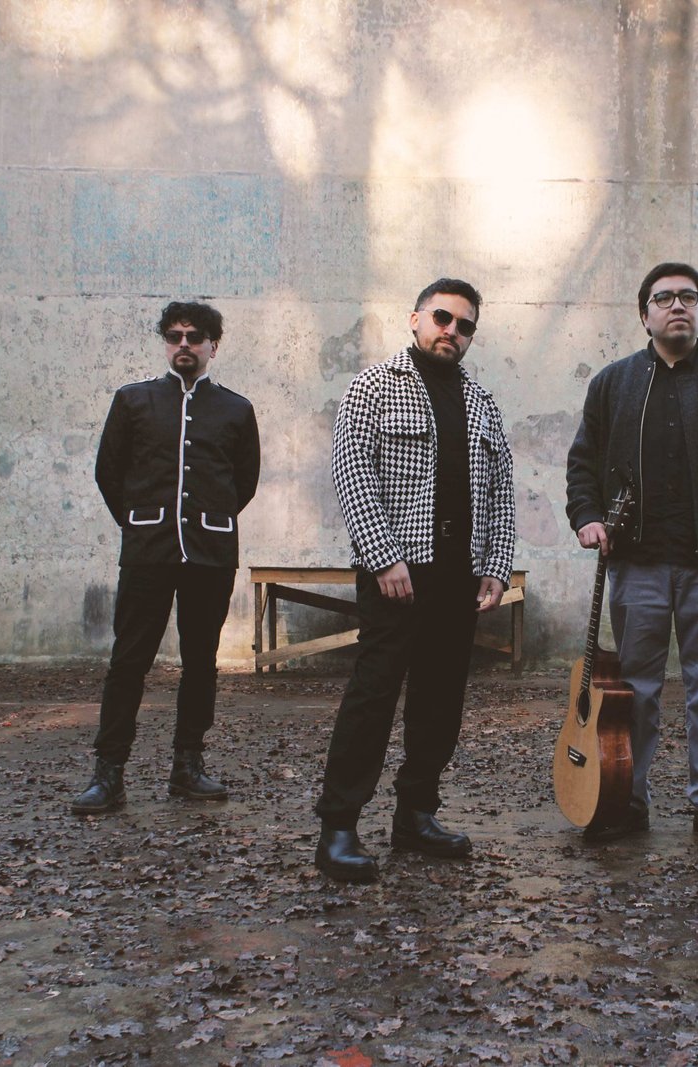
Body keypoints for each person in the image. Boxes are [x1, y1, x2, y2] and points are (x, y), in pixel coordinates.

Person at [565, 262, 698, 847]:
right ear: (645, 315)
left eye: (689, 297)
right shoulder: (613, 383)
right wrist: (586, 516)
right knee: (636, 690)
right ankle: (627, 800)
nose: (677, 305)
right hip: (636, 564)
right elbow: (583, 463)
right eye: (664, 298)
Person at [313, 278, 516, 883]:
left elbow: (502, 491)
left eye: (465, 325)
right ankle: (339, 827)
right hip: (397, 573)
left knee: (440, 700)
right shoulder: (374, 386)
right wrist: (383, 557)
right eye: (443, 318)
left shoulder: (482, 403)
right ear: (416, 319)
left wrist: (496, 566)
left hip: (459, 578)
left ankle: (416, 814)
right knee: (373, 696)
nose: (453, 331)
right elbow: (352, 472)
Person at [71, 302, 261, 814]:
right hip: (147, 551)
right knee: (128, 661)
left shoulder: (236, 409)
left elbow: (243, 482)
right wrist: (140, 522)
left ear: (212, 345)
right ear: (165, 342)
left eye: (194, 337)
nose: (183, 344)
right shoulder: (133, 400)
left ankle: (188, 766)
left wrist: (208, 518)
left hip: (210, 554)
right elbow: (109, 472)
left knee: (201, 662)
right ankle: (109, 773)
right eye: (174, 336)